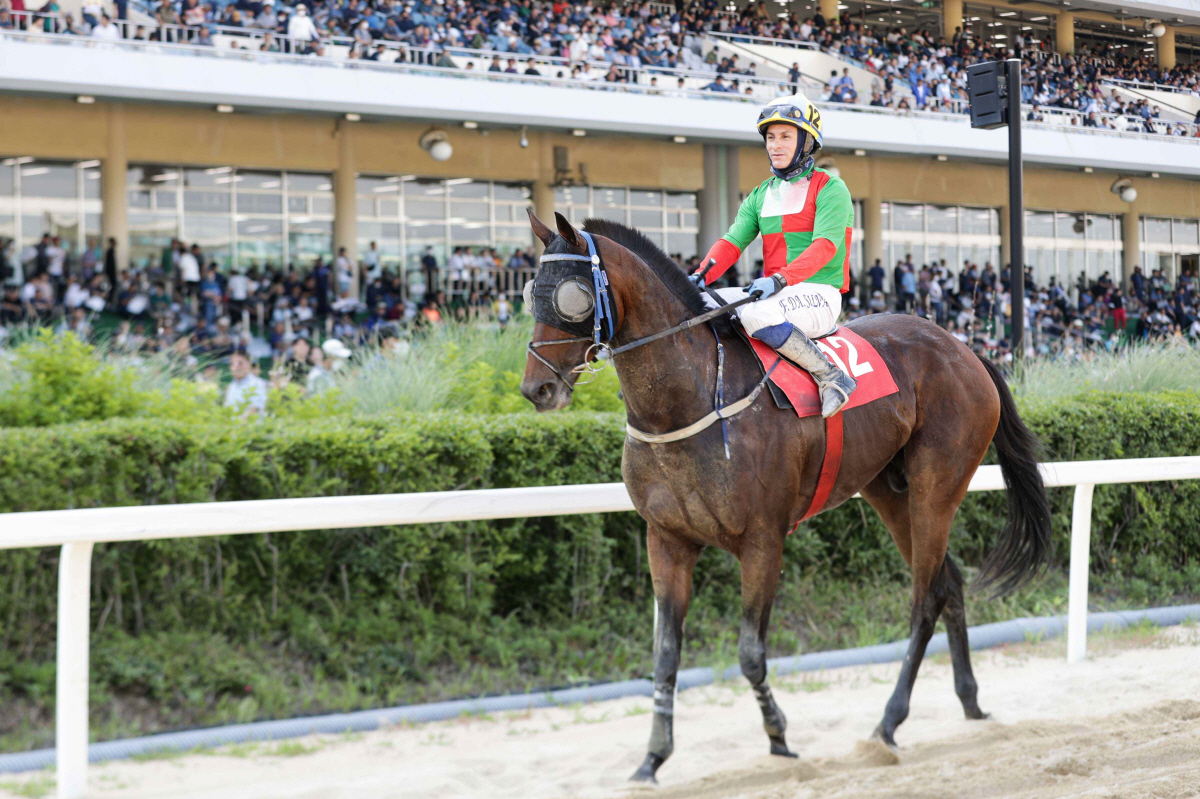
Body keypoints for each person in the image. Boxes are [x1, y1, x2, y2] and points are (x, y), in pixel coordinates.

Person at [691, 94, 856, 417]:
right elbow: (732, 242)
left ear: (806, 142)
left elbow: (825, 246)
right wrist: (699, 276)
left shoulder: (831, 189)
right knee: (698, 306)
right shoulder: (761, 194)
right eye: (770, 138)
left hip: (819, 294)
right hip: (776, 292)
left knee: (755, 315)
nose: (775, 145)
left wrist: (780, 279)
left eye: (785, 137)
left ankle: (831, 376)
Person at [224, 349, 268, 415]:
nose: (236, 367)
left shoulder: (257, 383)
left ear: (249, 364)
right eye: (232, 364)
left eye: (240, 363)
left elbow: (254, 409)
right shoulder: (232, 385)